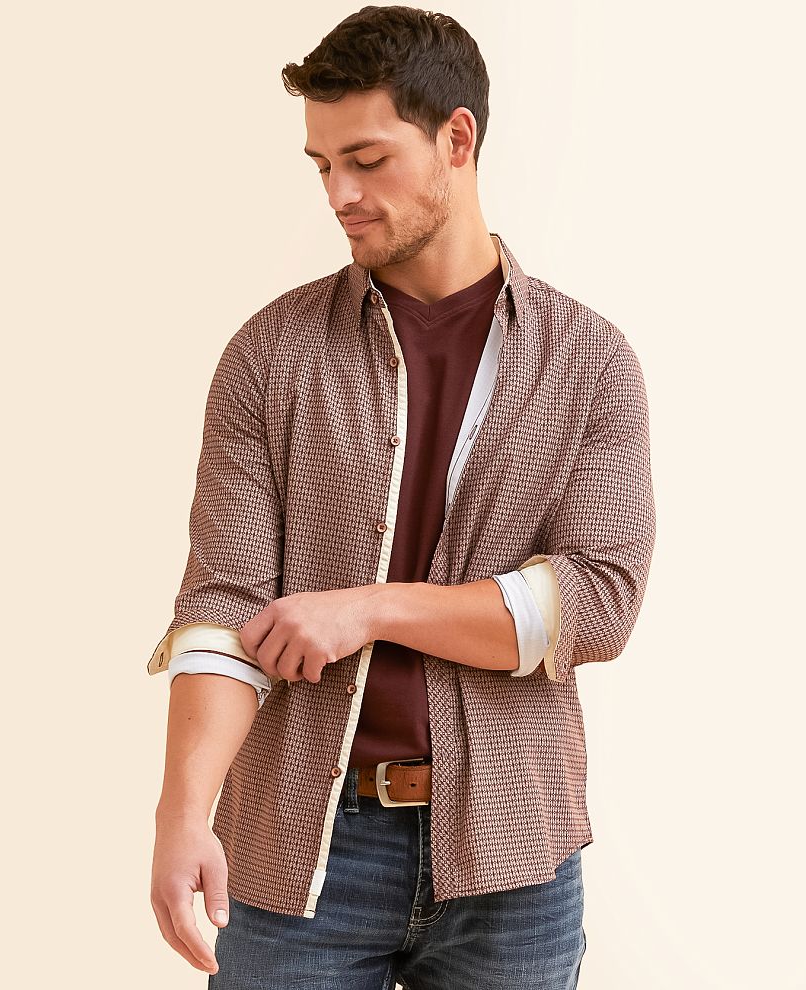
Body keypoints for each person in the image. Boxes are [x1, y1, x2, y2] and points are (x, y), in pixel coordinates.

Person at [148, 6, 656, 988]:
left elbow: (596, 603)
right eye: (321, 165)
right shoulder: (268, 354)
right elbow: (222, 603)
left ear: (456, 139)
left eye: (367, 160)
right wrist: (180, 813)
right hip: (297, 845)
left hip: (516, 853)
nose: (338, 193)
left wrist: (371, 608)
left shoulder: (590, 362)